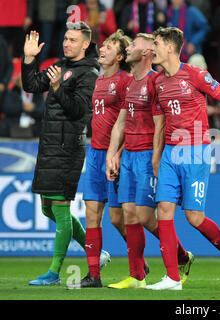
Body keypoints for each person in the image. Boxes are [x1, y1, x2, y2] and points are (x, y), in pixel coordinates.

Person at [146, 26, 220, 291]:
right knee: (163, 210)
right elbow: (160, 120)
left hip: (196, 152)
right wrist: (157, 154)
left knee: (194, 217)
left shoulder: (196, 75)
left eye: (156, 43)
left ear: (170, 47)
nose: (152, 48)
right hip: (169, 153)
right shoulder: (157, 82)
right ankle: (172, 278)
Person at [106, 32, 193, 289]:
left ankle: (181, 256)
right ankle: (137, 276)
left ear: (145, 53)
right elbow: (122, 122)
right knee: (128, 215)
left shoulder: (156, 81)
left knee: (144, 216)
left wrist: (157, 155)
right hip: (130, 155)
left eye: (133, 45)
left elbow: (162, 122)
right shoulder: (129, 83)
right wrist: (115, 153)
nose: (129, 48)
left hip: (147, 156)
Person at [22, 22, 104, 286]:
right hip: (49, 145)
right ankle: (97, 252)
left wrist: (57, 89)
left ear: (85, 45)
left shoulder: (90, 73)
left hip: (67, 147)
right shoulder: (62, 67)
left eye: (72, 40)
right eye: (65, 38)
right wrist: (29, 58)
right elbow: (32, 85)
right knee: (49, 209)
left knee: (60, 207)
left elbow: (79, 111)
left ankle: (54, 272)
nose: (66, 43)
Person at [65, 29, 133, 288]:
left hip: (115, 156)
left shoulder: (126, 80)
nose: (102, 48)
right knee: (91, 213)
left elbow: (130, 121)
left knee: (117, 218)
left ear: (120, 56)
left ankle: (138, 263)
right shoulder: (97, 80)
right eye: (102, 45)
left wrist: (117, 152)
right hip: (94, 153)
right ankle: (94, 274)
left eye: (108, 46)